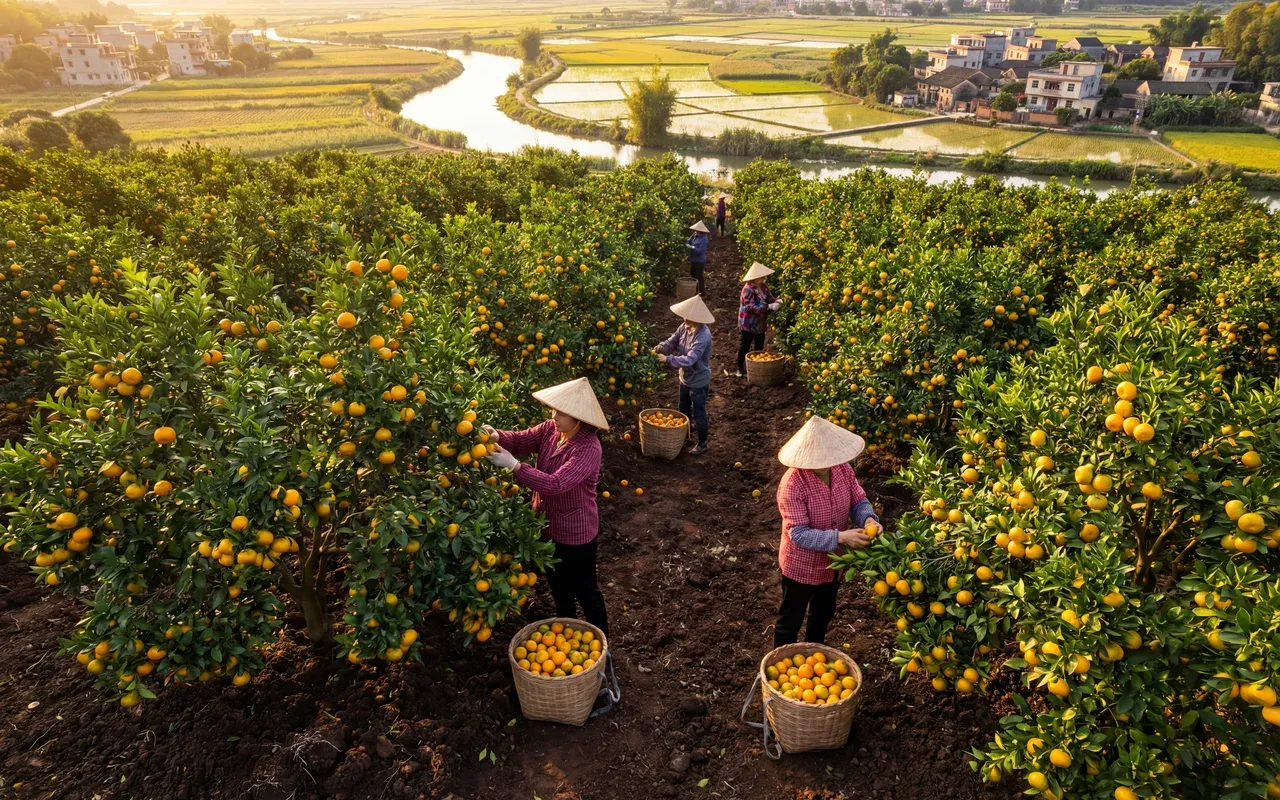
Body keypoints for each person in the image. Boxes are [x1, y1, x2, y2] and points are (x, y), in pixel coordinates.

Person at [482, 377, 609, 635]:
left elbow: (555, 483)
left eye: (562, 412)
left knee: (586, 590)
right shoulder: (552, 430)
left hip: (577, 534)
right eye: (554, 409)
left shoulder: (588, 448)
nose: (554, 415)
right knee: (560, 587)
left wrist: (515, 466)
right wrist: (498, 435)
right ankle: (568, 637)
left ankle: (601, 646)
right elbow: (520, 440)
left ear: (578, 418)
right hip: (547, 526)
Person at [773, 416, 881, 647]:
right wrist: (842, 537)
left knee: (822, 616)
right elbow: (799, 533)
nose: (822, 463)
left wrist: (869, 519)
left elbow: (858, 500)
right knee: (790, 621)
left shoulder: (842, 469)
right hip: (800, 567)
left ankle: (814, 660)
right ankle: (778, 666)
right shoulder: (792, 484)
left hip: (833, 565)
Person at [654, 294, 714, 456]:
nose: (685, 320)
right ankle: (685, 435)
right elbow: (672, 341)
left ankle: (702, 443)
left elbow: (691, 359)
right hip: (684, 377)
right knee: (683, 408)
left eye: (689, 318)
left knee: (699, 411)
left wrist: (668, 359)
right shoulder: (684, 327)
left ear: (697, 318)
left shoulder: (703, 335)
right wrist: (661, 348)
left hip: (699, 380)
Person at [737, 261, 781, 378]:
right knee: (745, 345)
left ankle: (756, 370)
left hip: (760, 323)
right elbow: (750, 307)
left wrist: (777, 301)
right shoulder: (748, 289)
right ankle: (740, 368)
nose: (763, 278)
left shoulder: (763, 287)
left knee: (759, 345)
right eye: (761, 276)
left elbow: (769, 298)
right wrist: (768, 307)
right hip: (748, 323)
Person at [686, 220, 709, 296]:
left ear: (701, 231)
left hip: (699, 261)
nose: (695, 231)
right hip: (693, 259)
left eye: (697, 230)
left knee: (699, 276)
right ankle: (694, 291)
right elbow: (688, 242)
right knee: (692, 275)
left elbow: (700, 252)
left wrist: (692, 248)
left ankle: (701, 292)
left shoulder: (704, 239)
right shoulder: (694, 235)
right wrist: (688, 243)